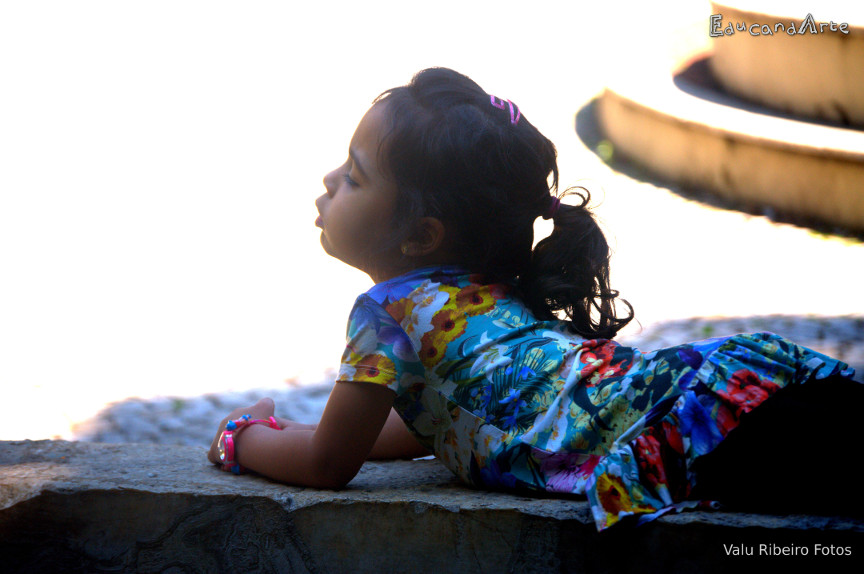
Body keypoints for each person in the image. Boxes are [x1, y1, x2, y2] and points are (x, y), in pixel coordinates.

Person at [208, 67, 860, 531]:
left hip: (686, 432)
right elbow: (417, 426)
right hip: (710, 393)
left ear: (421, 236)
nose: (330, 179)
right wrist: (292, 429)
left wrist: (242, 437)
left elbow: (330, 463)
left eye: (354, 176)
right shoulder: (484, 299)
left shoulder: (387, 311)